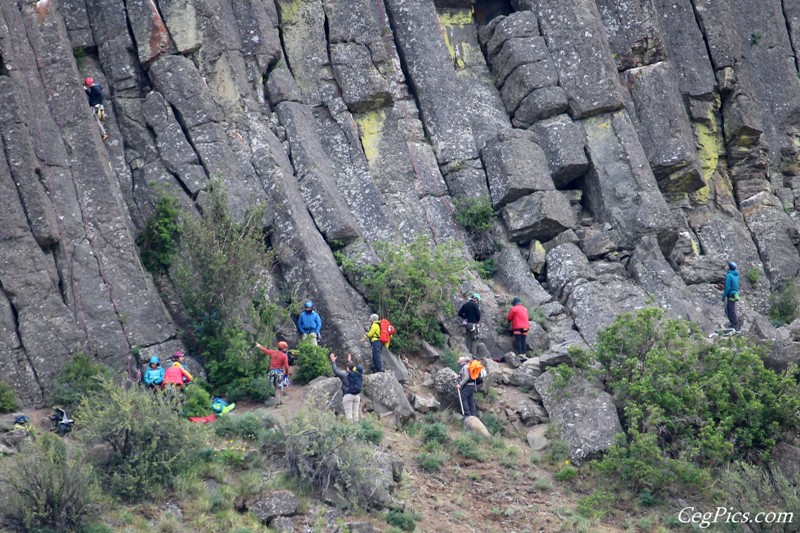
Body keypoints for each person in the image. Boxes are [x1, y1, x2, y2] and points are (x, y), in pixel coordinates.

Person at [330, 352, 363, 423]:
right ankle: (357, 430)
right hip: (357, 396)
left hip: (348, 396)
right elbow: (352, 366)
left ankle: (351, 430)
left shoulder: (345, 375)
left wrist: (333, 361)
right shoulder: (359, 375)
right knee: (355, 413)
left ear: (347, 368)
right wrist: (349, 361)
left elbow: (335, 371)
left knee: (349, 413)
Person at [256, 341, 291, 405]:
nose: (287, 349)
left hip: (271, 372)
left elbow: (266, 351)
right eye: (286, 348)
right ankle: (278, 402)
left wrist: (259, 346)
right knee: (279, 387)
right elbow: (286, 366)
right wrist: (286, 374)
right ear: (283, 348)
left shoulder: (273, 352)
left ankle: (280, 401)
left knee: (277, 387)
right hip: (278, 372)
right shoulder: (284, 356)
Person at [83, 77, 108, 141]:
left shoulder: (95, 89)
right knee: (98, 120)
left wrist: (96, 104)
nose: (88, 86)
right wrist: (85, 89)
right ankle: (104, 133)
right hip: (97, 105)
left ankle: (104, 134)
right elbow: (91, 95)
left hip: (96, 106)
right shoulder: (96, 86)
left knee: (96, 120)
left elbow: (100, 96)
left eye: (88, 85)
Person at [722, 261, 740, 331]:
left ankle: (735, 324)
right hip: (735, 294)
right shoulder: (736, 275)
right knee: (731, 309)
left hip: (731, 295)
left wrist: (724, 296)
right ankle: (734, 324)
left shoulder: (729, 275)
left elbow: (728, 287)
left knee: (730, 310)